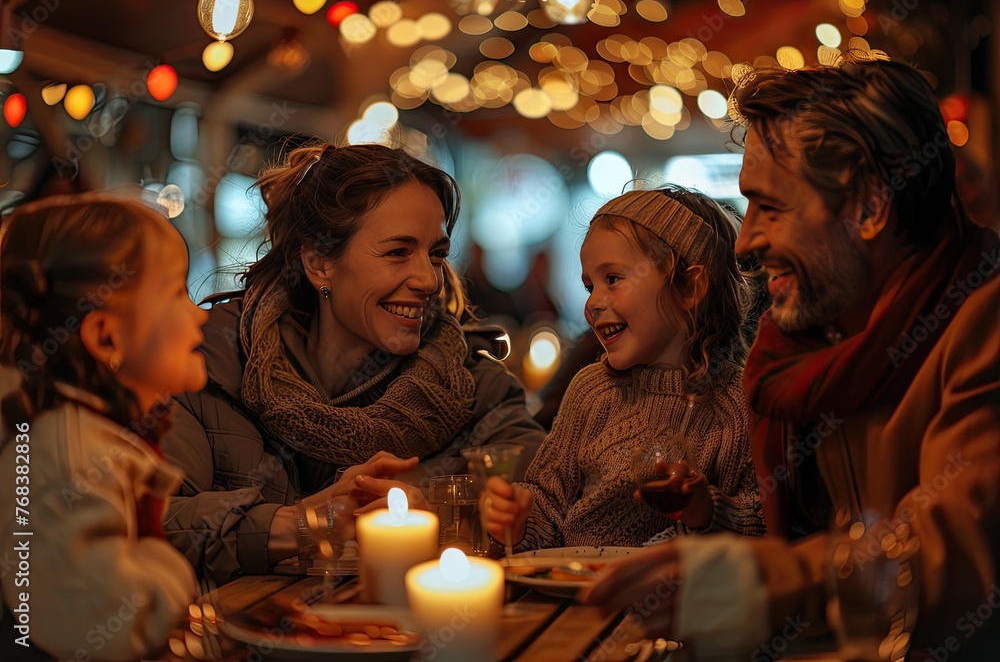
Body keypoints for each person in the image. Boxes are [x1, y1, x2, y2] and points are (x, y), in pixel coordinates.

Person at [580, 55, 1000, 659]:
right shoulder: (800, 350)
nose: (746, 242)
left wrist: (774, 577)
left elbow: (950, 555)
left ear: (869, 207)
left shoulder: (979, 323)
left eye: (770, 207)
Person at [161, 143, 544, 587]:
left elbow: (542, 501)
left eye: (435, 254)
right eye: (398, 252)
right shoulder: (207, 365)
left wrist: (442, 518)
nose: (427, 280)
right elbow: (148, 524)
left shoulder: (473, 386)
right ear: (320, 264)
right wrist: (302, 522)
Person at [483, 187, 765, 550]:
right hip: (577, 594)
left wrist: (704, 509)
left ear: (690, 287)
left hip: (677, 601)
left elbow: (759, 525)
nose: (593, 305)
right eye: (589, 286)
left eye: (613, 279)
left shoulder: (737, 406)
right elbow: (547, 503)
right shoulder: (590, 390)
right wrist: (519, 518)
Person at [0, 195, 203, 660]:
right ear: (106, 336)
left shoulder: (83, 437)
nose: (200, 314)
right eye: (177, 293)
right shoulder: (68, 458)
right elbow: (103, 624)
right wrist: (171, 571)